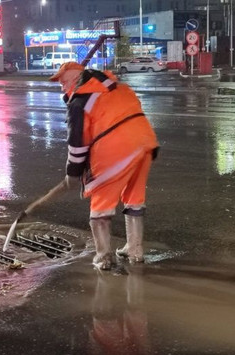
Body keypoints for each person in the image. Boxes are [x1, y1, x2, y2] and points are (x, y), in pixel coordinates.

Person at [50, 62, 159, 270]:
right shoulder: (121, 88)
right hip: (145, 144)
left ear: (76, 80)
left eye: (63, 83)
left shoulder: (80, 101)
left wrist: (72, 173)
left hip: (114, 151)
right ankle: (135, 250)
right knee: (134, 199)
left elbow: (77, 144)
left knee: (101, 207)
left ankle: (104, 257)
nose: (62, 88)